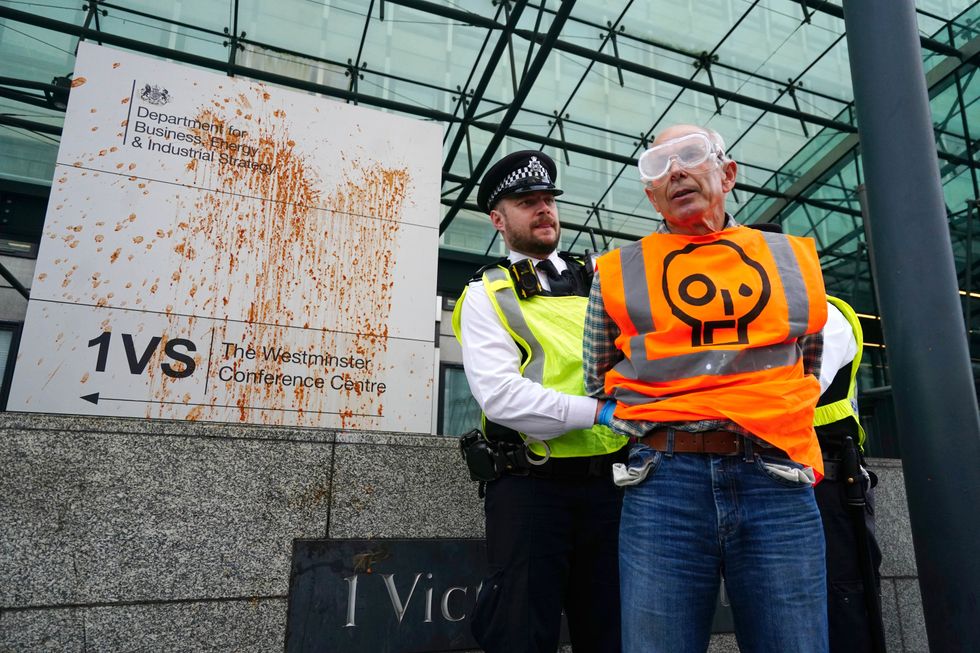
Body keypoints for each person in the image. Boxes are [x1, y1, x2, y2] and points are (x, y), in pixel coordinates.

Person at [584, 124, 830, 653]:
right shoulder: (618, 271)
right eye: (659, 166)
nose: (676, 171)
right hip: (663, 484)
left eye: (691, 155)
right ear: (651, 196)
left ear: (729, 173)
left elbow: (806, 364)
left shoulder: (788, 258)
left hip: (775, 476)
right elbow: (597, 375)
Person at [452, 150, 628, 653]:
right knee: (521, 635)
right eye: (527, 202)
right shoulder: (488, 293)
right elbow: (503, 397)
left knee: (615, 633)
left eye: (548, 200)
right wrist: (599, 412)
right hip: (532, 490)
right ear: (498, 219)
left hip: (612, 488)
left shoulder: (601, 279)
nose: (544, 209)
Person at [815, 296, 886, 653]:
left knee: (844, 597)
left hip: (828, 481)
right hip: (819, 477)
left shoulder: (821, 311)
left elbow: (799, 390)